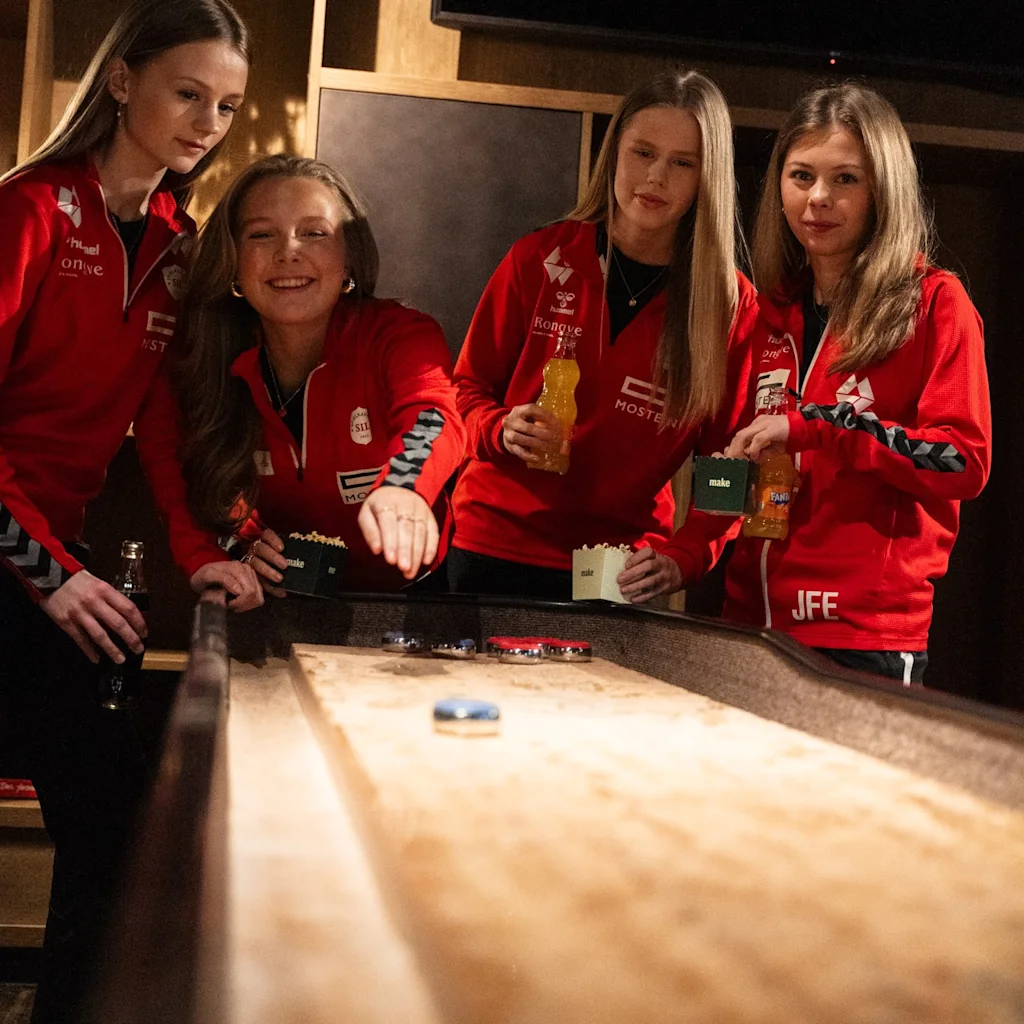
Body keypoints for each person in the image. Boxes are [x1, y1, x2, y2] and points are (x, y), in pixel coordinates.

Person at [0, 2, 258, 1020]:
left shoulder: (176, 246)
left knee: (108, 830)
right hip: (27, 559)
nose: (207, 123)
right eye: (187, 93)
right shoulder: (29, 211)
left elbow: (160, 438)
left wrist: (204, 552)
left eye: (226, 106)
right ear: (121, 82)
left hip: (44, 563)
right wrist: (52, 575)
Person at [449, 69, 758, 601]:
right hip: (493, 545)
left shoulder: (729, 305)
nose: (656, 177)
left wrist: (687, 554)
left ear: (708, 178)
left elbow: (728, 468)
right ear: (614, 153)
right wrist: (499, 430)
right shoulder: (539, 259)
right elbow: (462, 392)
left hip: (617, 568)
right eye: (643, 152)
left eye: (682, 163)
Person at [721, 83, 991, 683]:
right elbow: (729, 466)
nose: (818, 198)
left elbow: (964, 461)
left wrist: (821, 426)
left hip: (861, 636)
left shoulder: (934, 303)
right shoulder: (769, 313)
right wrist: (682, 554)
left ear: (882, 190)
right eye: (801, 176)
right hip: (749, 628)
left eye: (845, 179)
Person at [175, 155, 467, 593]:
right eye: (261, 234)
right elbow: (197, 478)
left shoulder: (400, 334)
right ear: (232, 262)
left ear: (348, 259)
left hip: (414, 598)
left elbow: (432, 413)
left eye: (314, 233)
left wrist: (403, 486)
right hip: (283, 600)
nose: (288, 251)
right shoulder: (211, 354)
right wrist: (241, 545)